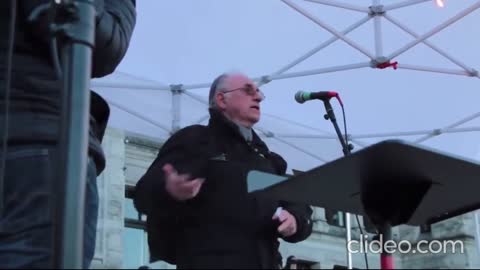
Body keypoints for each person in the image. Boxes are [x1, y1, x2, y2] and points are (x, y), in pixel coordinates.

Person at [0, 0, 136, 268]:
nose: (248, 92)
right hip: (39, 142)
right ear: (220, 98)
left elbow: (105, 47)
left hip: (39, 140)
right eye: (244, 89)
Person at [134, 72, 313, 269]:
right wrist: (170, 190)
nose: (258, 97)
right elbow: (143, 194)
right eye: (248, 91)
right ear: (221, 99)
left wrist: (295, 219)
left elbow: (299, 204)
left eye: (258, 92)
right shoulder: (196, 140)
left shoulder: (268, 160)